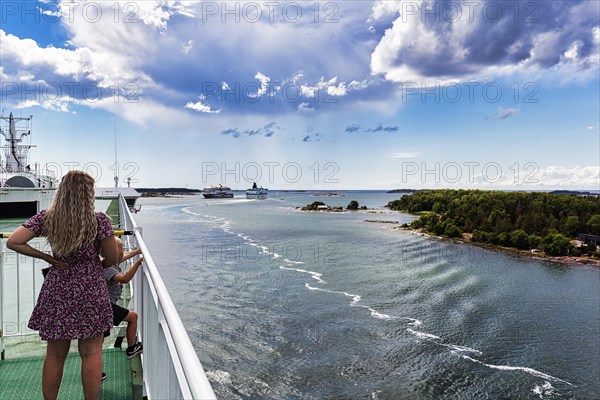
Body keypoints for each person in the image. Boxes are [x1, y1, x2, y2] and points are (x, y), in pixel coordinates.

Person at [7, 170, 118, 400]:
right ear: (89, 193)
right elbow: (112, 259)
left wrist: (48, 258)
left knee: (55, 355)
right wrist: (94, 263)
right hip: (91, 289)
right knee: (91, 353)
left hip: (58, 288)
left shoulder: (48, 217)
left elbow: (14, 241)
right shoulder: (99, 220)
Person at [103, 238, 143, 359]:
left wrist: (137, 252)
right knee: (133, 317)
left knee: (99, 338)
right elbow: (125, 279)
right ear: (113, 252)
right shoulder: (108, 269)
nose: (124, 251)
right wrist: (138, 262)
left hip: (107, 304)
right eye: (121, 249)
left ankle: (97, 371)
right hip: (106, 305)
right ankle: (131, 349)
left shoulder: (111, 262)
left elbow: (125, 256)